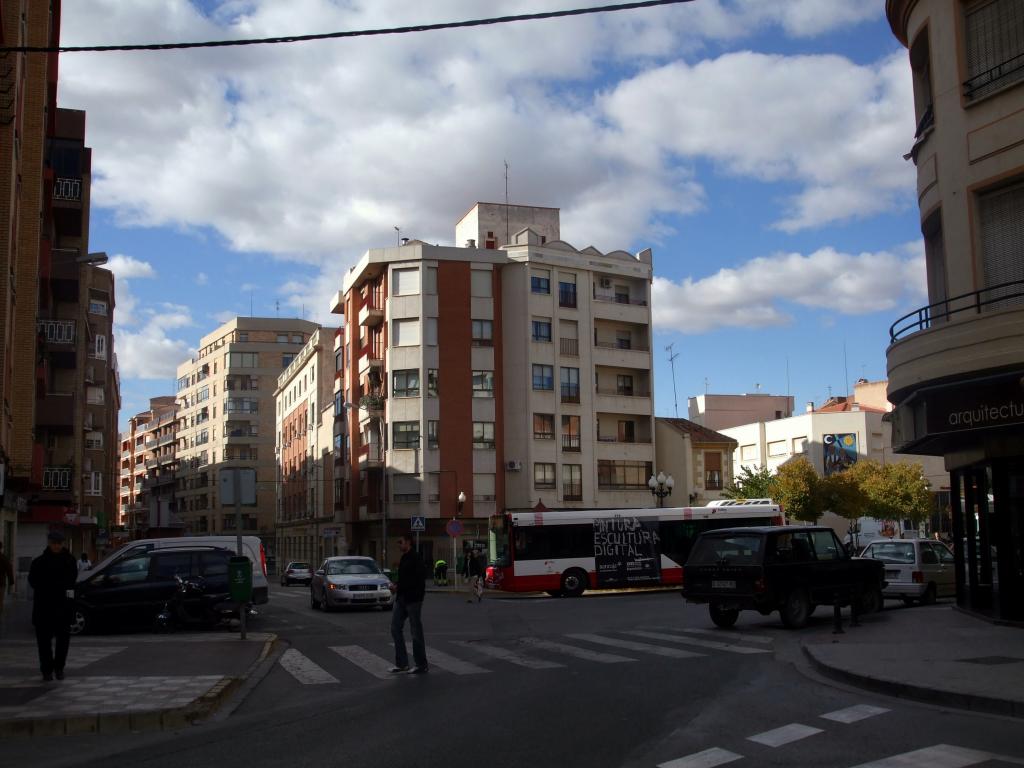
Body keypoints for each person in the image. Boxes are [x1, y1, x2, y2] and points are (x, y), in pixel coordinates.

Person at [28, 530, 78, 682]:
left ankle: (59, 668)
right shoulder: (39, 562)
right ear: (49, 544)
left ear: (62, 544)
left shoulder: (69, 561)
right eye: (53, 543)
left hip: (63, 608)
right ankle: (47, 670)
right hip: (44, 608)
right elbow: (33, 582)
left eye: (58, 543)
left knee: (63, 642)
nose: (56, 546)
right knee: (44, 643)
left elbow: (71, 585)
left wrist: (70, 604)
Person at [389, 535, 427, 674]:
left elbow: (417, 579)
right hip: (402, 598)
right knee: (395, 628)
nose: (399, 545)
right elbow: (405, 578)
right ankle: (402, 663)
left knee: (415, 631)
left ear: (408, 543)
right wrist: (397, 586)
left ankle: (421, 664)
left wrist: (398, 587)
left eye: (401, 542)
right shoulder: (404, 557)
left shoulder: (415, 558)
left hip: (413, 599)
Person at [0, 541, 14, 616]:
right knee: (0, 601)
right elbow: (9, 569)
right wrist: (11, 581)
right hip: (1, 583)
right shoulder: (3, 558)